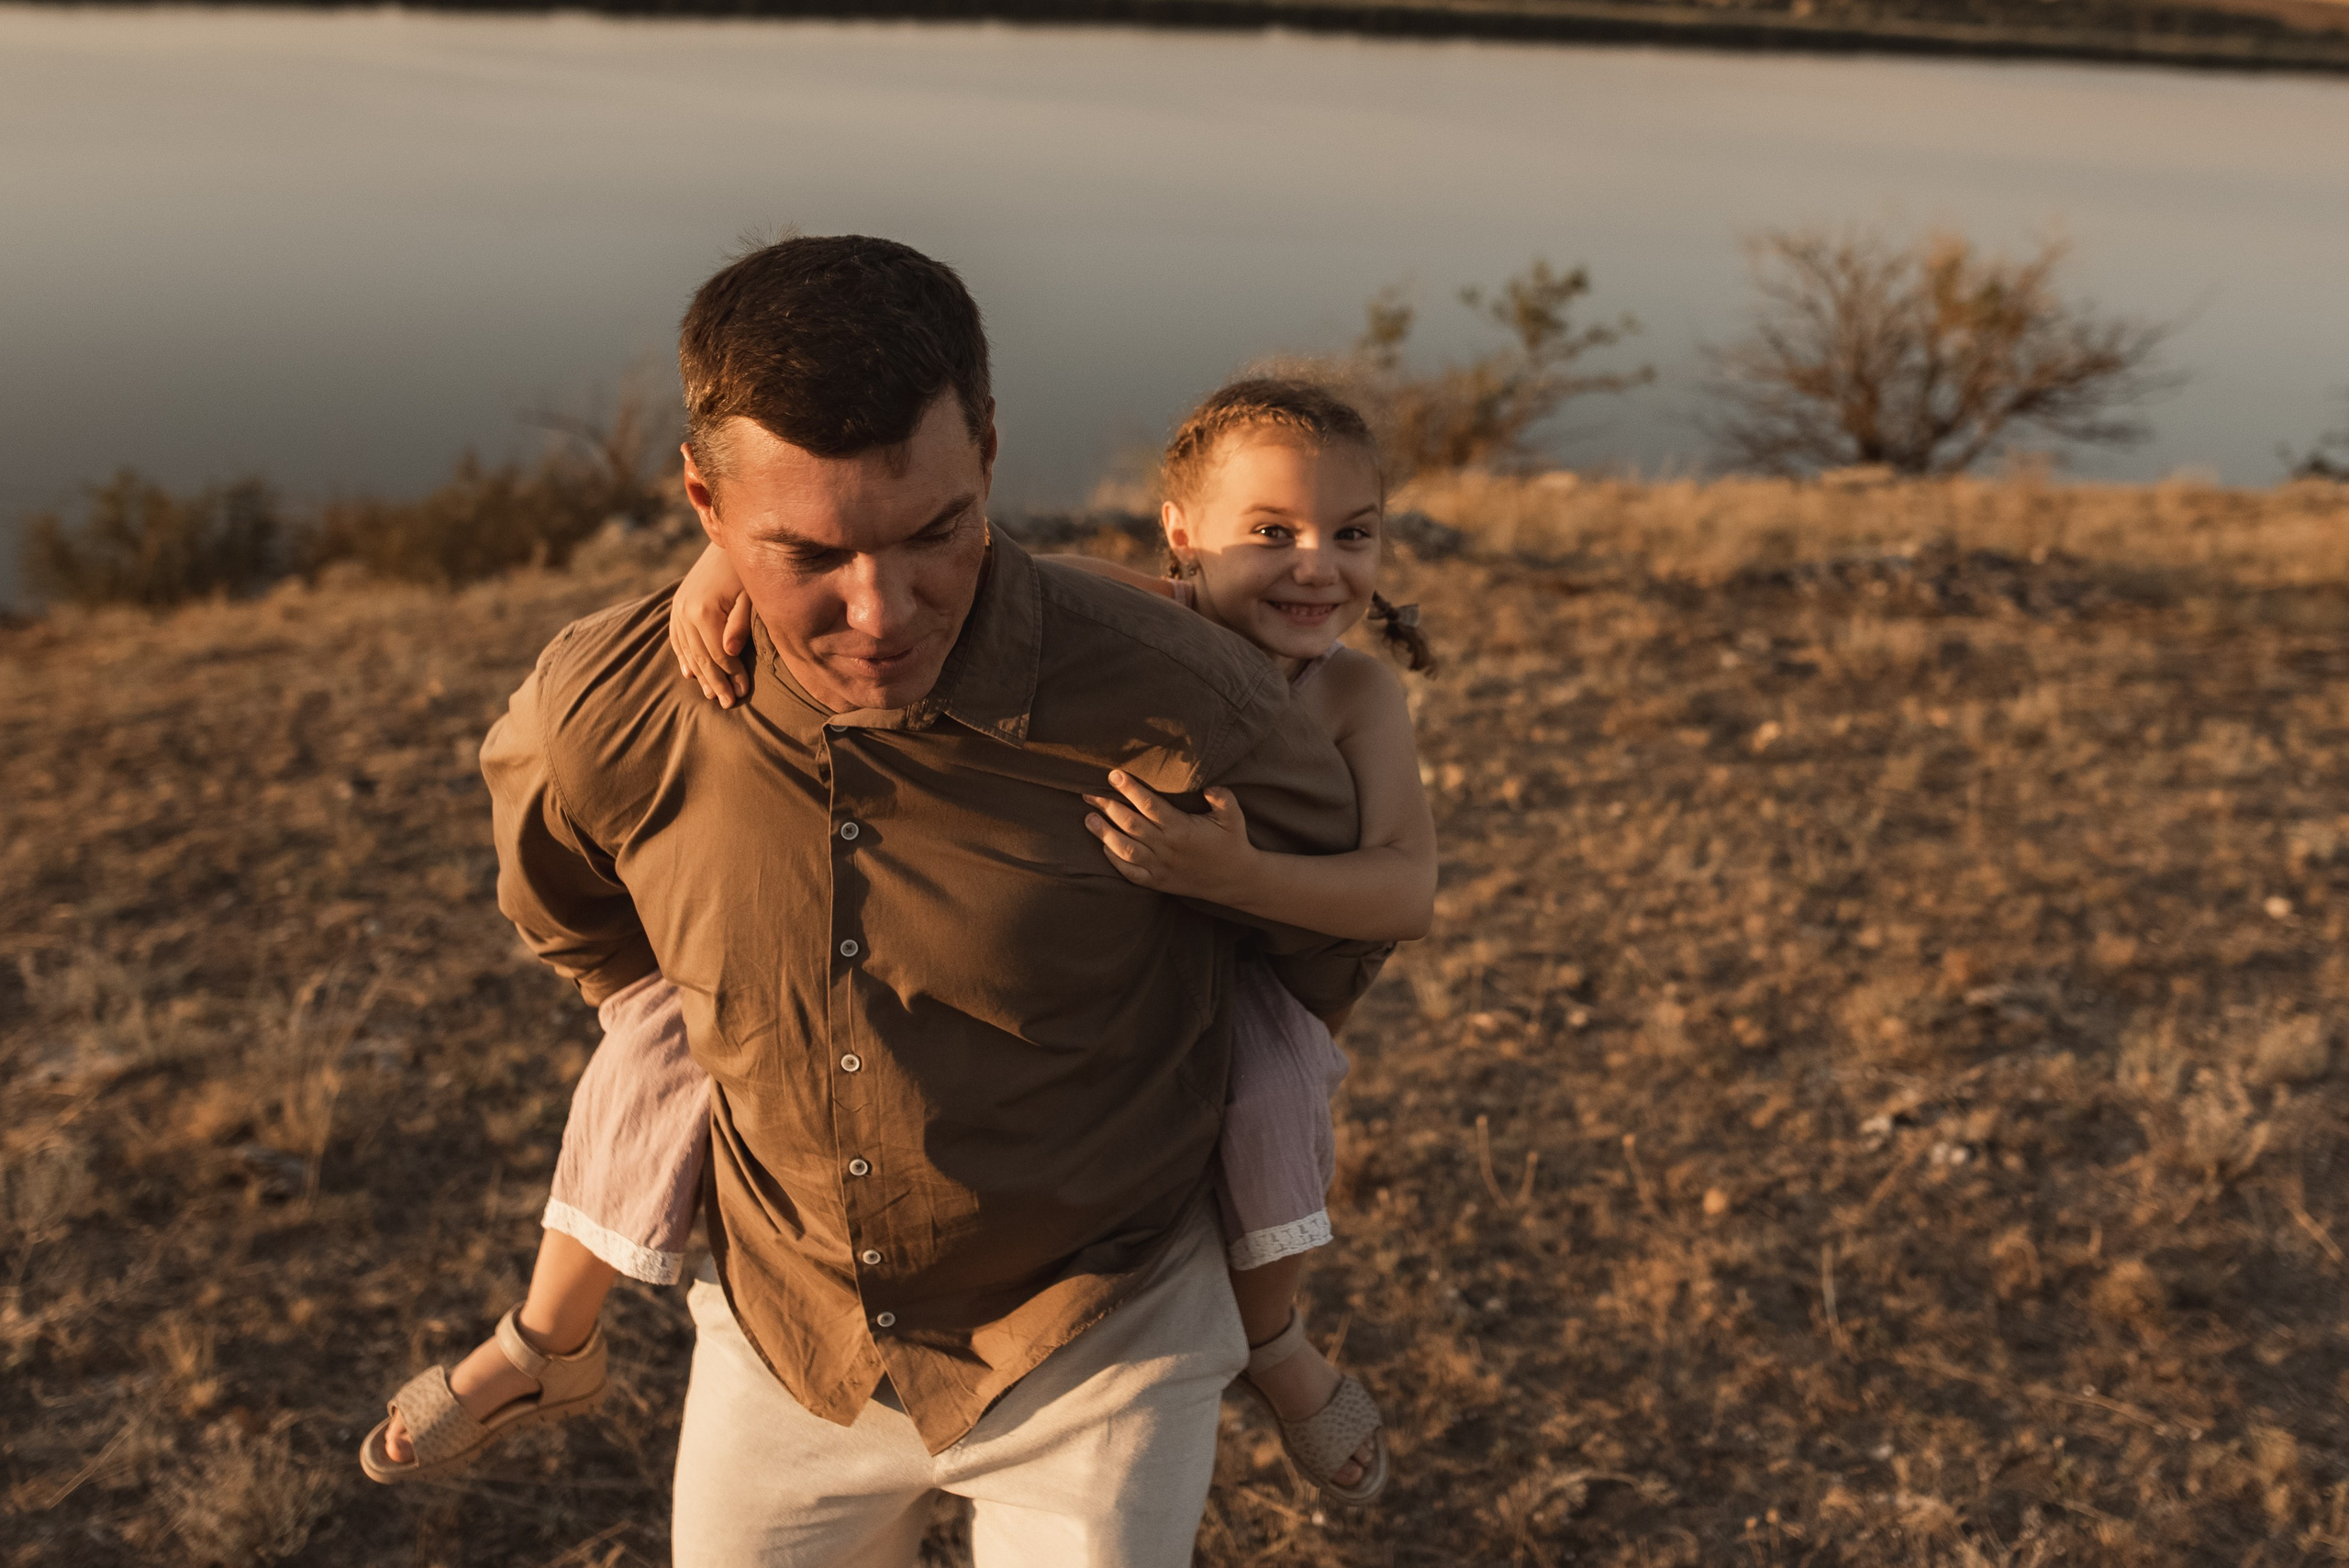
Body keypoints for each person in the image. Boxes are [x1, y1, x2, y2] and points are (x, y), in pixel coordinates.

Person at [359, 235, 1391, 1565]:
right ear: (705, 507)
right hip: (788, 1343)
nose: (882, 610)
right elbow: (578, 916)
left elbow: (1321, 936)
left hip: (1103, 1335)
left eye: (936, 531)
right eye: (808, 554)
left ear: (991, 459)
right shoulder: (604, 711)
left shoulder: (1188, 699)